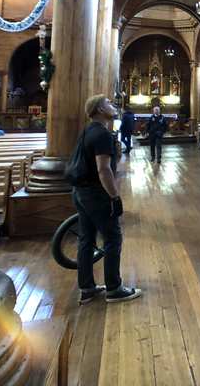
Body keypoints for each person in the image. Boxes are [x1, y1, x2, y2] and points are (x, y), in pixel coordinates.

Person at [72, 95, 141, 304]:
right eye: (109, 103)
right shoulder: (102, 134)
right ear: (101, 109)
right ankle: (114, 288)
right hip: (96, 194)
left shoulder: (88, 130)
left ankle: (87, 288)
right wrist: (115, 196)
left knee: (86, 239)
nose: (113, 106)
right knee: (112, 238)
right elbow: (103, 170)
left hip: (80, 192)